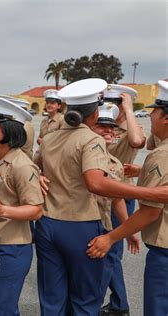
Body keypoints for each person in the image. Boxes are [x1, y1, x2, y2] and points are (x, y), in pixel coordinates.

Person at [34, 78, 168, 315]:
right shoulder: (91, 139)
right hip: (80, 225)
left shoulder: (50, 138)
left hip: (47, 223)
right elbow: (96, 183)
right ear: (94, 114)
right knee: (85, 299)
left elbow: (35, 169)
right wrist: (149, 192)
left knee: (52, 298)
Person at [87, 80, 168, 316]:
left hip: (162, 248)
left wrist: (112, 237)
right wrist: (142, 171)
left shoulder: (161, 155)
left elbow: (151, 210)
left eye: (155, 110)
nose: (150, 114)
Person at [0, 96, 44, 315]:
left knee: (2, 308)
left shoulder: (22, 165)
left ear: (9, 129)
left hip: (11, 248)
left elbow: (36, 210)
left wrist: (3, 210)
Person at [101, 83, 145, 316]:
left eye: (114, 103)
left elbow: (138, 142)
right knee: (104, 252)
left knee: (111, 252)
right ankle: (118, 303)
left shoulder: (130, 127)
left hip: (120, 194)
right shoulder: (101, 122)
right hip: (97, 193)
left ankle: (119, 305)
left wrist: (129, 111)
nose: (110, 107)